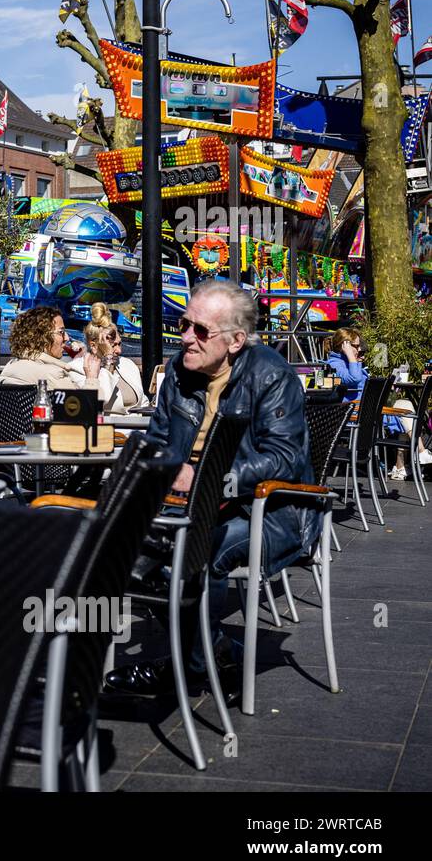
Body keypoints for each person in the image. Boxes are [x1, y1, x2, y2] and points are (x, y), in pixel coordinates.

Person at [105, 279, 323, 696]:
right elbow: (158, 441)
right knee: (121, 548)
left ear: (237, 340)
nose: (186, 337)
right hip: (186, 506)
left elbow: (285, 457)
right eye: (185, 324)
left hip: (273, 509)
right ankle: (217, 652)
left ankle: (183, 669)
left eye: (201, 331)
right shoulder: (177, 372)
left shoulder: (271, 374)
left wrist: (208, 476)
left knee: (197, 555)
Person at [323, 327, 427, 479]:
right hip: (355, 415)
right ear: (343, 345)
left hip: (367, 411)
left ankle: (406, 463)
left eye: (359, 346)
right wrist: (352, 359)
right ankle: (416, 456)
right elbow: (354, 380)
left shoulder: (351, 363)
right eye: (356, 346)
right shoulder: (334, 364)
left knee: (405, 406)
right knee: (405, 414)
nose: (359, 350)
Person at [0, 305, 102, 393]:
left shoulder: (11, 366)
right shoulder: (53, 374)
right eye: (61, 332)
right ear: (42, 337)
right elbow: (84, 410)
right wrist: (92, 378)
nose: (67, 338)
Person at [68, 302, 147, 414]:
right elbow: (101, 401)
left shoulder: (127, 364)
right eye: (112, 345)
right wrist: (108, 362)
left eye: (119, 344)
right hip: (109, 428)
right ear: (94, 346)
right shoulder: (77, 368)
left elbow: (143, 402)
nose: (119, 351)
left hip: (137, 428)